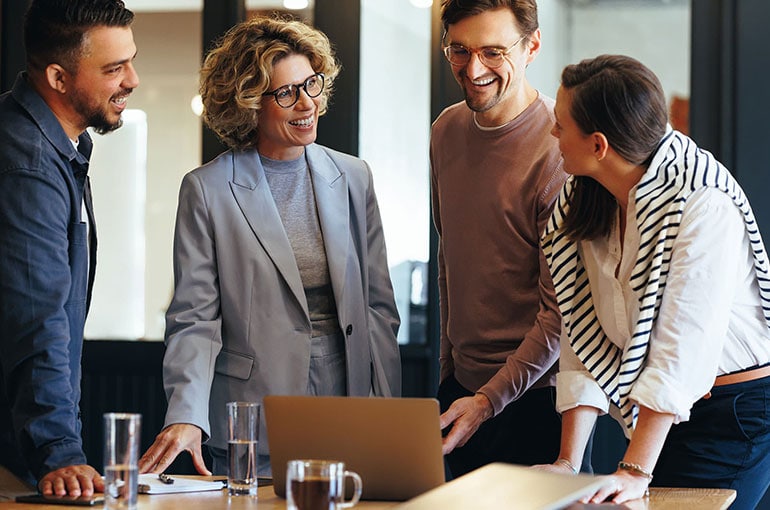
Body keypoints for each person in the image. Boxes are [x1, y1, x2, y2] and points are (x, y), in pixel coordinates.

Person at [138, 15, 401, 478]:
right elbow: (194, 318)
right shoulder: (208, 189)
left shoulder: (353, 176)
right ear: (249, 103)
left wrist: (388, 413)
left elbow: (379, 309)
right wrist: (186, 413)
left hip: (349, 404)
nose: (307, 103)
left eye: (312, 84)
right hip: (252, 413)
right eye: (286, 93)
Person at [539, 54, 770, 509]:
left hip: (735, 413)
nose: (552, 135)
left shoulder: (704, 201)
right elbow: (582, 330)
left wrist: (634, 469)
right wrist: (568, 462)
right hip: (664, 415)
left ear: (599, 145)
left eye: (560, 125)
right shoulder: (587, 198)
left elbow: (682, 346)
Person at [431, 0, 575, 479]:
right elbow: (449, 257)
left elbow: (560, 314)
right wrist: (449, 374)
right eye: (459, 50)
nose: (473, 70)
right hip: (459, 393)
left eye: (493, 52)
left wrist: (488, 400)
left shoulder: (560, 148)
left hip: (537, 400)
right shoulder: (445, 131)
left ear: (532, 46)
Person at [0, 0, 139, 498]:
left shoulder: (58, 147)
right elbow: (35, 317)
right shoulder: (29, 163)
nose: (133, 79)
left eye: (131, 60)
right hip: (16, 456)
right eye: (114, 68)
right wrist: (59, 451)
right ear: (58, 78)